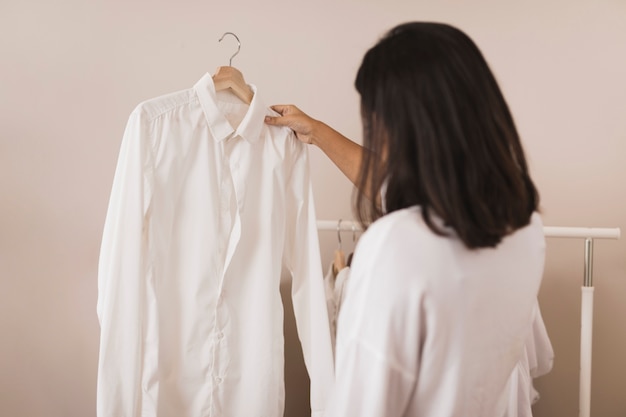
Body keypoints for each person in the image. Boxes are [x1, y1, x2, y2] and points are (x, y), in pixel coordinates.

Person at [265, 22, 547, 417]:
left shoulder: (396, 246)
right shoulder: (524, 229)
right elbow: (410, 186)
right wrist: (318, 133)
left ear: (406, 126)